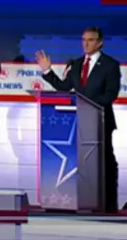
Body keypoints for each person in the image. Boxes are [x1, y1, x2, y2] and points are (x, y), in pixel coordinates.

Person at [36, 27, 121, 213]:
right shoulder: (76, 64)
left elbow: (111, 94)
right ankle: (79, 200)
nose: (86, 43)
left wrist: (87, 103)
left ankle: (108, 205)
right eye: (83, 40)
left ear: (100, 43)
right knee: (79, 162)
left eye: (90, 40)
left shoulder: (110, 65)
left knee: (105, 162)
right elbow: (64, 87)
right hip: (77, 122)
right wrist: (47, 70)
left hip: (100, 121)